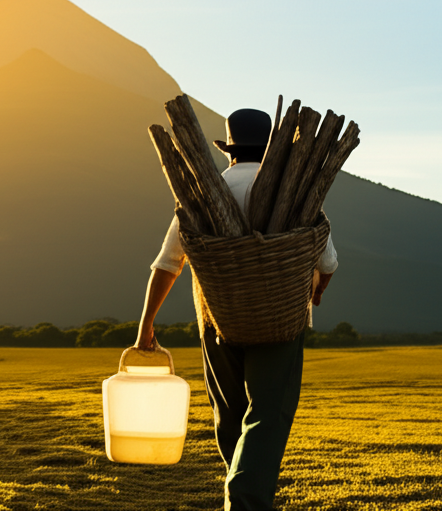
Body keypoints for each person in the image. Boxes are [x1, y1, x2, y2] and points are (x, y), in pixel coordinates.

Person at [135, 108, 338, 511]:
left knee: (229, 414)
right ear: (271, 149)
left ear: (229, 150)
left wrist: (146, 325)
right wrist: (314, 292)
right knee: (268, 414)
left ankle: (242, 495)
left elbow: (168, 264)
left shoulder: (202, 193)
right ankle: (246, 499)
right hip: (281, 323)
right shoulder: (294, 193)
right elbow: (327, 262)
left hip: (218, 322)